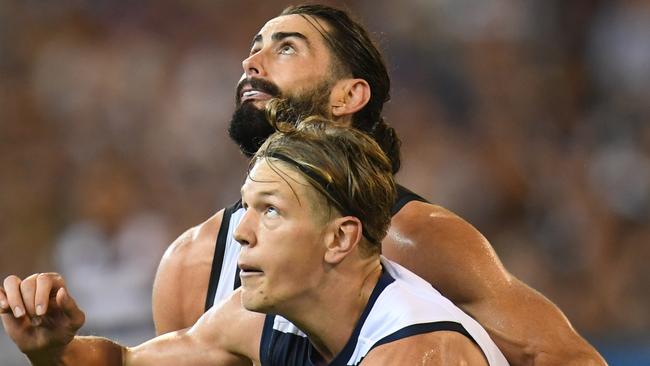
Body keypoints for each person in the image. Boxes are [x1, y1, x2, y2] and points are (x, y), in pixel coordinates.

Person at [1, 118, 509, 365]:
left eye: (270, 211)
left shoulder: (419, 352)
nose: (240, 229)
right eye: (246, 207)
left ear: (339, 238)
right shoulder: (265, 316)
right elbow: (127, 364)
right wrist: (53, 351)